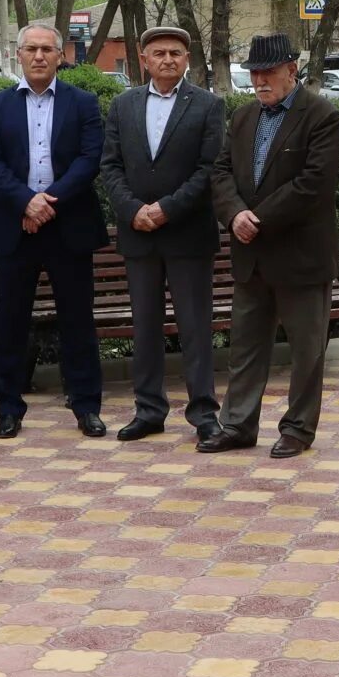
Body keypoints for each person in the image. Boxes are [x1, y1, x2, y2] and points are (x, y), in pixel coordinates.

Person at [205, 32, 339, 456]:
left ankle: (297, 430)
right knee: (245, 347)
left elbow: (313, 185)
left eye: (268, 72)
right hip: (252, 257)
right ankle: (237, 425)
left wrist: (257, 218)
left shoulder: (322, 116)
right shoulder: (243, 117)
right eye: (255, 73)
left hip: (300, 257)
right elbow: (220, 172)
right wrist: (234, 214)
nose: (260, 80)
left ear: (291, 70)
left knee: (306, 354)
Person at [0, 23, 107, 439]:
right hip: (16, 226)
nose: (38, 56)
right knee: (12, 322)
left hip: (68, 224)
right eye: (31, 49)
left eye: (47, 50)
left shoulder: (83, 102)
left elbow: (90, 160)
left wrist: (47, 201)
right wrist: (25, 202)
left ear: (59, 56)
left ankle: (87, 407)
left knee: (78, 322)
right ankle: (9, 410)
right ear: (18, 55)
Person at [101, 25, 225, 442]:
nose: (168, 59)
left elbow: (209, 169)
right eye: (159, 53)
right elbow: (110, 166)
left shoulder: (208, 106)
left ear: (187, 58)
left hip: (187, 234)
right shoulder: (123, 104)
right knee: (145, 326)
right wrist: (134, 211)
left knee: (194, 327)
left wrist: (167, 209)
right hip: (139, 234)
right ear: (144, 58)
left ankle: (204, 413)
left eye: (175, 53)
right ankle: (149, 409)